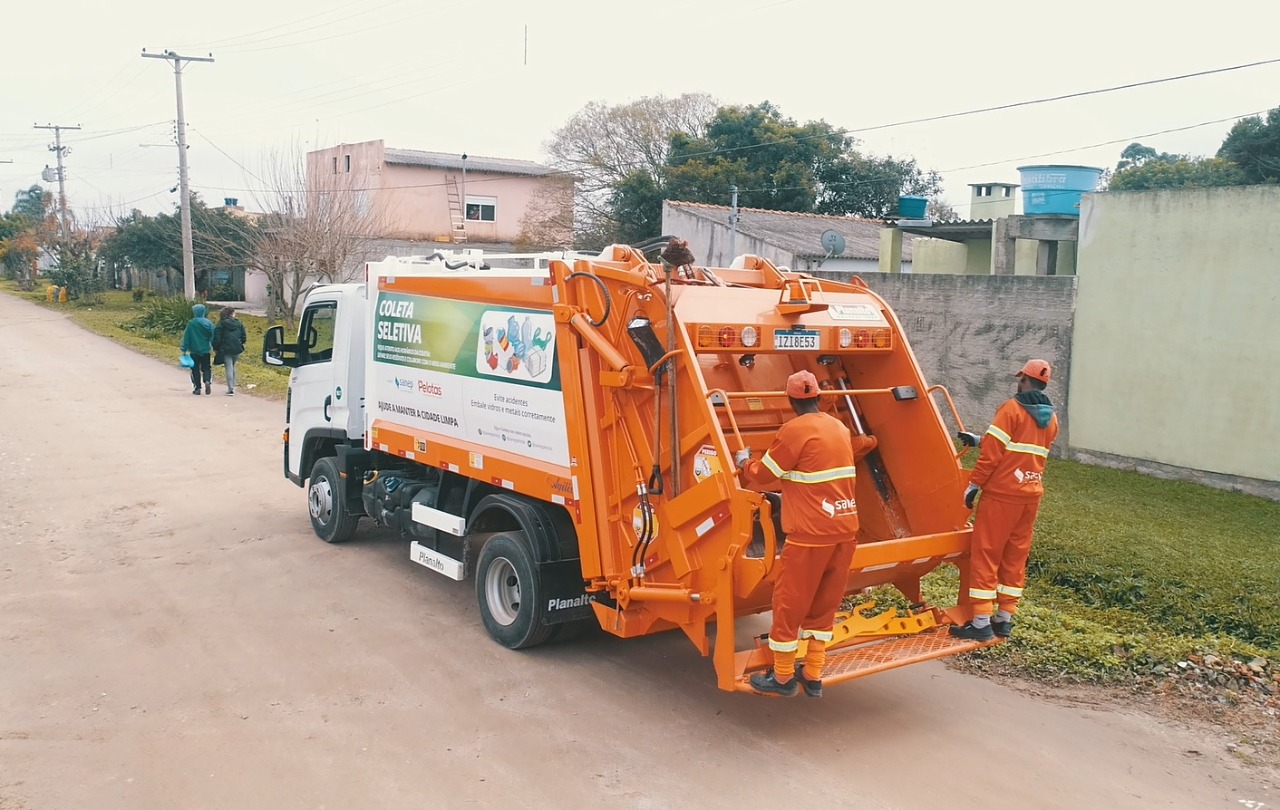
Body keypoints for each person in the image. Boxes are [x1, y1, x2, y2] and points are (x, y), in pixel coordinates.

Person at [735, 370, 878, 697]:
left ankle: (783, 677)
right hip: (844, 531)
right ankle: (813, 672)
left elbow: (763, 474)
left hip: (809, 536)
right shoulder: (839, 427)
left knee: (789, 604)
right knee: (824, 604)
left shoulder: (793, 431)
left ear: (791, 401)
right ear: (818, 397)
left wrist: (745, 462)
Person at [951, 359, 1060, 642]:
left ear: (1024, 379)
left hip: (1002, 495)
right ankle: (1004, 619)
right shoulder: (1052, 419)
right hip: (1030, 494)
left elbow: (994, 455)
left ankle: (980, 622)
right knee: (1015, 555)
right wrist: (978, 439)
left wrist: (974, 484)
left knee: (986, 553)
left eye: (1020, 378)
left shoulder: (1011, 409)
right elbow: (1019, 447)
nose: (1017, 382)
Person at [181, 303, 215, 395]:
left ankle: (197, 388)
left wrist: (184, 349)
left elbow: (187, 337)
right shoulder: (209, 323)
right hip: (206, 350)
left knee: (195, 369)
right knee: (206, 367)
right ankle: (207, 380)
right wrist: (213, 346)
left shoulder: (191, 323)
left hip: (194, 351)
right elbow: (213, 336)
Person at [213, 306, 248, 396]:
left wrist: (216, 348)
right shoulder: (239, 323)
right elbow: (243, 336)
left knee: (228, 367)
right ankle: (233, 386)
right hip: (237, 348)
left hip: (225, 348)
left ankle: (230, 388)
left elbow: (217, 337)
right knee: (232, 366)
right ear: (232, 314)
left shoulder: (221, 324)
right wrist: (241, 343)